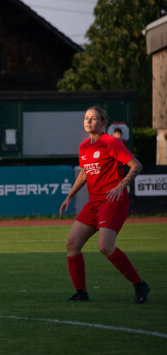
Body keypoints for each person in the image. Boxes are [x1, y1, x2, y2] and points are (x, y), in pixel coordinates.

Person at [59, 106, 149, 304]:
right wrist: (70, 196)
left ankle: (139, 284)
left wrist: (122, 185)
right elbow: (84, 174)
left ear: (102, 123)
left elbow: (137, 165)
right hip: (95, 201)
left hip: (113, 199)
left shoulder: (111, 143)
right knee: (72, 244)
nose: (88, 122)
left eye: (93, 119)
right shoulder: (83, 146)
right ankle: (81, 293)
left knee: (104, 246)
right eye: (86, 118)